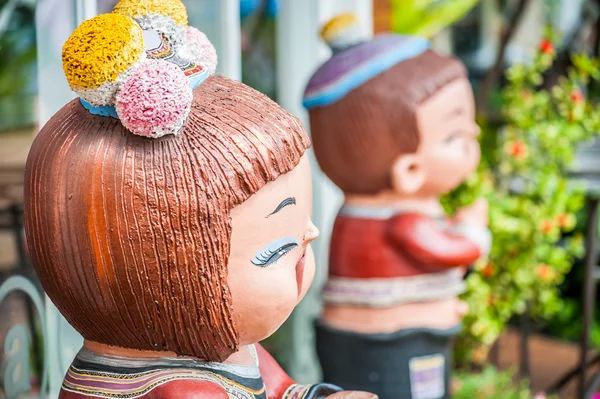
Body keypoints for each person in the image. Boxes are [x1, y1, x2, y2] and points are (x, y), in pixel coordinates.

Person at [24, 2, 376, 398]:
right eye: (274, 250)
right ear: (159, 275)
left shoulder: (231, 350)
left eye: (302, 226)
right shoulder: (184, 390)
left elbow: (279, 390)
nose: (308, 239)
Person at [304, 14, 490, 399]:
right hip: (396, 343)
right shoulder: (401, 221)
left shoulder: (367, 214)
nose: (474, 136)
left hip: (386, 338)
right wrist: (473, 233)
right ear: (408, 170)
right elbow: (448, 250)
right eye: (456, 134)